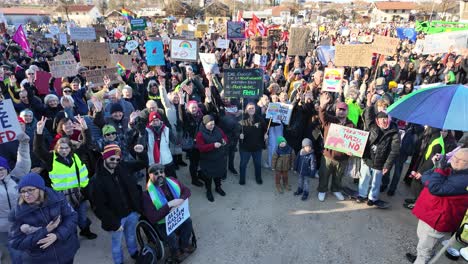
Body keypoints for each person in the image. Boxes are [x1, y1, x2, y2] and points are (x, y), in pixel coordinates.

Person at [34, 116, 97, 239]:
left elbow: (87, 143)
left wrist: (85, 128)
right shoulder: (51, 159)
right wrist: (39, 133)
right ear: (56, 148)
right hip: (62, 198)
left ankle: (85, 230)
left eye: (66, 148)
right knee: (68, 220)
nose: (64, 150)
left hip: (79, 195)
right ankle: (71, 237)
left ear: (70, 148)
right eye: (61, 148)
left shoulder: (76, 155)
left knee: (82, 217)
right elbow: (38, 149)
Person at [405, 149, 468, 264]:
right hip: (430, 211)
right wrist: (437, 169)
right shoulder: (451, 167)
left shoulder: (464, 180)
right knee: (424, 241)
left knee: (425, 247)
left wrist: (439, 170)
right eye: (454, 157)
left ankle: (422, 259)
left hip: (438, 218)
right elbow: (425, 176)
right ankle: (423, 257)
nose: (455, 161)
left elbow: (435, 188)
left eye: (461, 160)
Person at [90, 144, 148, 264]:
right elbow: (99, 207)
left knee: (131, 236)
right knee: (116, 244)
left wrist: (142, 153)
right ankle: (119, 262)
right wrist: (114, 223)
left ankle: (133, 253)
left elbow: (142, 163)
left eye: (117, 159)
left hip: (131, 212)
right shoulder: (96, 180)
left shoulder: (123, 166)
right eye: (112, 158)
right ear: (104, 157)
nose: (115, 162)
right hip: (116, 219)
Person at [8, 173, 79, 264]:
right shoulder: (16, 214)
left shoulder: (58, 198)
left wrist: (57, 235)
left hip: (66, 252)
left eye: (30, 190)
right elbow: (15, 242)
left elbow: (72, 217)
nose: (26, 194)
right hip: (40, 259)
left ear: (41, 189)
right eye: (22, 191)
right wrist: (44, 231)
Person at [142, 164, 195, 262]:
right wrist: (169, 205)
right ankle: (175, 253)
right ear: (150, 176)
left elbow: (187, 190)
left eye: (161, 172)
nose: (160, 175)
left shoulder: (172, 181)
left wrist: (181, 200)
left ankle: (184, 245)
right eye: (156, 173)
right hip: (162, 222)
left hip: (177, 214)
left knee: (188, 222)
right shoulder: (147, 194)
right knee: (172, 236)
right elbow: (153, 217)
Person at [357, 110, 400, 209]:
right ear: (377, 120)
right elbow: (368, 115)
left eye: (386, 119)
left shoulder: (394, 131)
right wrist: (369, 104)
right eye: (381, 119)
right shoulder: (372, 126)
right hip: (368, 158)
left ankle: (372, 198)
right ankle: (362, 194)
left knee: (376, 181)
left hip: (381, 162)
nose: (384, 121)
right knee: (364, 177)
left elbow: (395, 150)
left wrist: (387, 165)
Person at [317, 92, 354, 202]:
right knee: (324, 174)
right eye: (339, 109)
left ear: (347, 111)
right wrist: (323, 105)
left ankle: (336, 189)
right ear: (336, 110)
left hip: (343, 157)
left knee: (338, 176)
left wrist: (351, 150)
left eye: (343, 110)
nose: (341, 111)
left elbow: (354, 140)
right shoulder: (330, 120)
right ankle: (322, 190)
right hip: (328, 155)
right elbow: (322, 114)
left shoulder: (351, 125)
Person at [0, 133, 30, 264]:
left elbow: (23, 161)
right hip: (3, 229)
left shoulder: (15, 177)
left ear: (7, 168)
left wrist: (24, 143)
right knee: (16, 254)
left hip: (22, 224)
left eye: (1, 168)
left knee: (28, 251)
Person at [196, 114, 228, 202]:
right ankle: (209, 191)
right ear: (205, 124)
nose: (212, 126)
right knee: (208, 177)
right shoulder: (200, 134)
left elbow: (224, 136)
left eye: (213, 124)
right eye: (210, 125)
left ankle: (218, 187)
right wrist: (213, 145)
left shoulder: (218, 129)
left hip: (218, 158)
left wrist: (224, 140)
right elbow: (201, 148)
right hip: (207, 160)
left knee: (218, 174)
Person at [238, 102, 268, 185]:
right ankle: (242, 179)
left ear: (255, 109)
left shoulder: (260, 118)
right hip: (245, 147)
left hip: (257, 147)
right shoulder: (242, 119)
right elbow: (236, 130)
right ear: (246, 109)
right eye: (249, 108)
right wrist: (239, 135)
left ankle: (258, 178)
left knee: (257, 164)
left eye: (253, 108)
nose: (251, 109)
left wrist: (266, 134)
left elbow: (265, 128)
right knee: (243, 164)